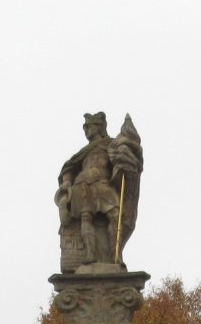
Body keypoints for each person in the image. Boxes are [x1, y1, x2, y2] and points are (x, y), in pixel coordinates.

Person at [56, 112, 142, 269]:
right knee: (86, 217)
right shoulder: (84, 151)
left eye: (89, 127)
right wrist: (66, 182)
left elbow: (124, 153)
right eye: (85, 127)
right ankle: (90, 254)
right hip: (82, 184)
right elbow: (68, 167)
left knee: (115, 214)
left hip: (102, 183)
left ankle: (115, 255)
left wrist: (124, 158)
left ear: (99, 127)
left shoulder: (110, 144)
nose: (86, 130)